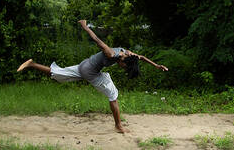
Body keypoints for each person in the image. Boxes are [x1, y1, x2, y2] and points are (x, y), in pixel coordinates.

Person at [16, 19, 169, 133]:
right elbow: (97, 40)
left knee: (57, 73)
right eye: (124, 67)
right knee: (113, 94)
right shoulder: (111, 53)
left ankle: (32, 64)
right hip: (90, 72)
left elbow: (141, 57)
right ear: (124, 61)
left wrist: (156, 65)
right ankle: (118, 126)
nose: (122, 68)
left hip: (85, 65)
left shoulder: (129, 55)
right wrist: (84, 26)